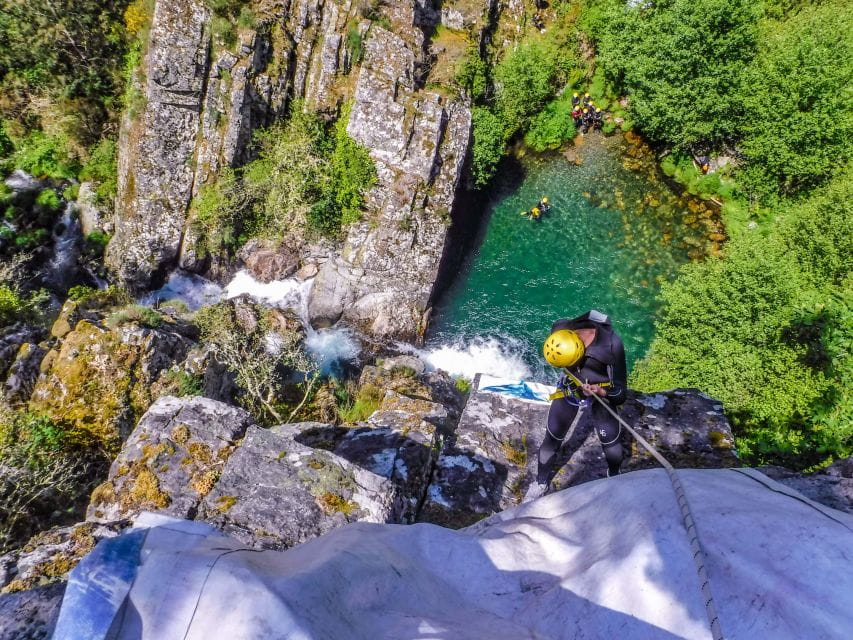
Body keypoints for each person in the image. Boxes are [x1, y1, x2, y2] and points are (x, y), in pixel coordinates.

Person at [523, 310, 628, 503]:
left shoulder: (611, 345)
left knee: (610, 440)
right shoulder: (561, 330)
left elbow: (621, 394)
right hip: (571, 388)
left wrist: (602, 392)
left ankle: (614, 477)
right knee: (552, 436)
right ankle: (540, 482)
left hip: (601, 392)